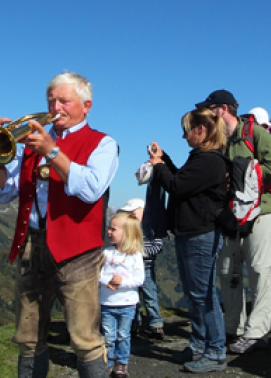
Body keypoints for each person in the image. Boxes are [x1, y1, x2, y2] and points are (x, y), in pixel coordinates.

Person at [0, 72, 118, 378]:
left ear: (86, 106)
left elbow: (91, 189)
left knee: (84, 337)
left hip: (78, 250)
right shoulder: (30, 144)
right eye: (51, 100)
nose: (55, 106)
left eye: (64, 101)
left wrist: (52, 152)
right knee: (28, 337)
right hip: (32, 245)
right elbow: (3, 193)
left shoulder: (103, 143)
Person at [197, 91, 271, 355]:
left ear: (223, 109)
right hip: (230, 213)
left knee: (259, 268)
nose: (207, 115)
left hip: (261, 211)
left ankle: (257, 331)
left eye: (210, 109)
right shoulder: (218, 138)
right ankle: (233, 327)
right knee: (227, 270)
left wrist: (240, 171)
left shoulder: (256, 133)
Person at [148, 107, 230, 373]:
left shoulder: (210, 161)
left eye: (186, 131)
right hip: (191, 233)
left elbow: (176, 186)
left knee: (203, 296)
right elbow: (181, 181)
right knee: (196, 294)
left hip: (200, 235)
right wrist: (165, 160)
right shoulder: (202, 159)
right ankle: (198, 345)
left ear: (201, 130)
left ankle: (215, 351)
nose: (184, 137)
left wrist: (159, 165)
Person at [100, 211, 145, 378]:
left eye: (113, 229)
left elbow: (139, 279)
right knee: (108, 336)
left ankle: (122, 363)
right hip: (107, 302)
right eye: (109, 229)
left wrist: (121, 283)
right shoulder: (106, 253)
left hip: (127, 303)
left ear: (127, 234)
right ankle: (108, 363)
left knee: (123, 335)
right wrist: (107, 281)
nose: (108, 232)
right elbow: (97, 273)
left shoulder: (135, 255)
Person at [120, 198, 165, 341]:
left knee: (149, 296)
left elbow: (158, 246)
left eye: (134, 214)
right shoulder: (128, 230)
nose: (131, 217)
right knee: (133, 298)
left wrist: (140, 252)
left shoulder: (151, 229)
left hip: (146, 269)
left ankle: (155, 324)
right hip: (130, 270)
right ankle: (134, 324)